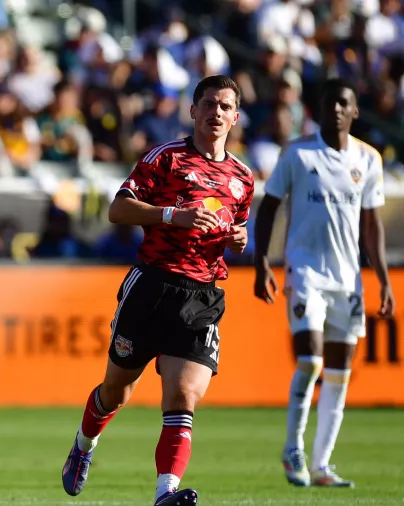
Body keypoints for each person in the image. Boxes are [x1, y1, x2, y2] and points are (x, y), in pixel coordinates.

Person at [61, 75, 255, 506]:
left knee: (182, 395)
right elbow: (117, 209)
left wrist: (237, 239)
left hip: (202, 294)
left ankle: (164, 494)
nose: (216, 112)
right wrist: (171, 215)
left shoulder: (243, 178)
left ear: (236, 117)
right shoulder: (166, 159)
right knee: (116, 391)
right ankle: (83, 446)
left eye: (225, 106)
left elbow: (233, 228)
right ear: (193, 111)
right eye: (208, 104)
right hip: (152, 285)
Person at [253, 78, 394, 488]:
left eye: (344, 103)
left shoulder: (368, 159)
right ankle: (292, 448)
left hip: (348, 279)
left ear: (354, 112)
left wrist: (382, 279)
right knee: (310, 360)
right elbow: (270, 207)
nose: (336, 109)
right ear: (319, 108)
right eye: (330, 102)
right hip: (305, 272)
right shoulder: (298, 154)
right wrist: (263, 261)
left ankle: (321, 466)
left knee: (339, 372)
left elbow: (372, 225)